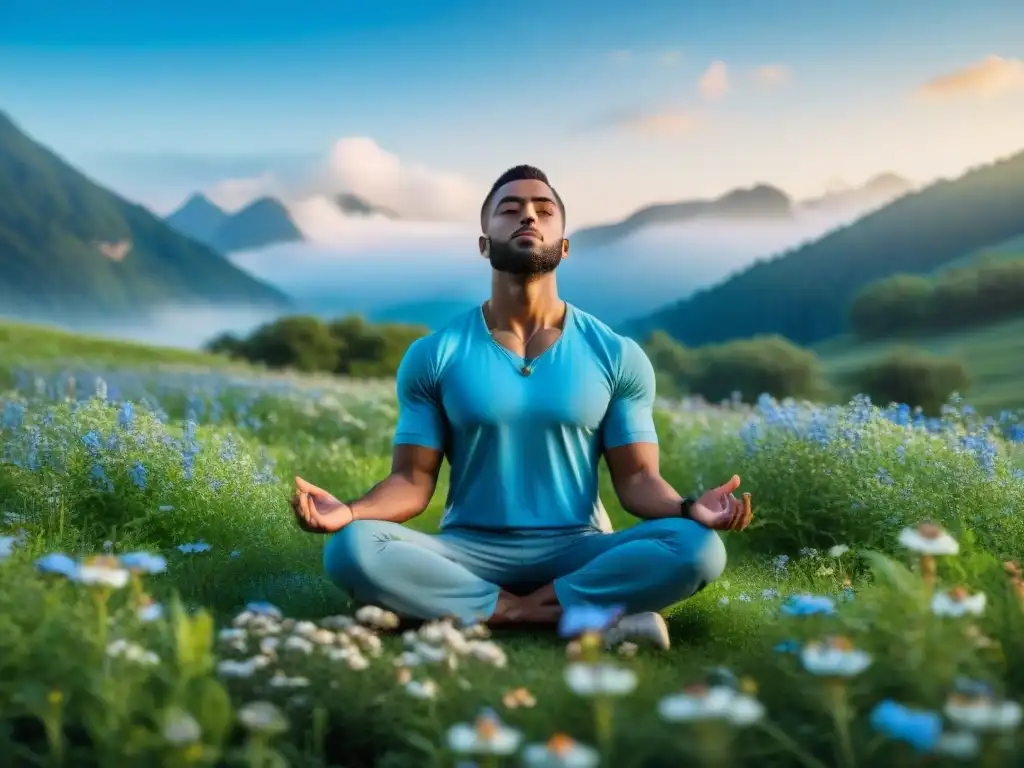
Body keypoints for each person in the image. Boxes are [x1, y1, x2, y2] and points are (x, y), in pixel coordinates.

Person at [291, 165, 752, 650]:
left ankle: (463, 613)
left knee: (697, 548)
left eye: (543, 210)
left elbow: (637, 481)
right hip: (467, 550)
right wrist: (350, 511)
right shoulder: (433, 354)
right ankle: (573, 616)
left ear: (564, 244)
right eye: (509, 210)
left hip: (579, 547)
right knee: (351, 548)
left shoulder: (617, 355)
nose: (527, 217)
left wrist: (688, 507)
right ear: (485, 243)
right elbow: (411, 481)